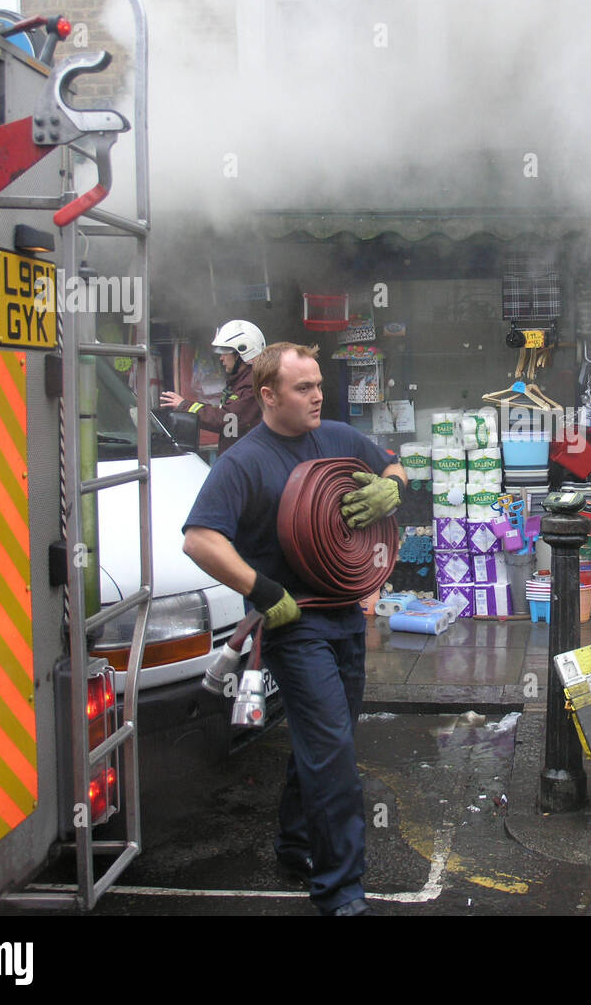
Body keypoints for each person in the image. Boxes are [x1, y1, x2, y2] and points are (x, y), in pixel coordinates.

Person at [181, 342, 406, 915]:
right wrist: (262, 592)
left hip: (346, 617)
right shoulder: (244, 461)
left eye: (318, 385)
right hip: (294, 624)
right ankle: (342, 895)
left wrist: (393, 487)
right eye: (303, 388)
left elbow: (391, 462)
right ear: (267, 395)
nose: (317, 395)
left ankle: (295, 843)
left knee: (325, 739)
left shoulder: (337, 437)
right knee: (333, 753)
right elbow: (200, 539)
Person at [161, 320, 265, 455]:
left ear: (242, 351)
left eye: (224, 352)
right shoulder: (241, 381)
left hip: (245, 459)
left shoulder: (251, 385)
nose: (221, 358)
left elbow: (228, 420)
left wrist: (185, 405)